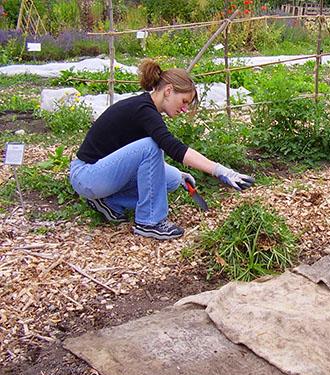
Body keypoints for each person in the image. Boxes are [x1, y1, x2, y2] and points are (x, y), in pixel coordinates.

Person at [70, 59, 254, 240]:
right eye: (184, 101)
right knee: (151, 146)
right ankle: (149, 222)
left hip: (102, 175)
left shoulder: (147, 110)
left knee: (173, 179)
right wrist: (220, 170)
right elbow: (173, 147)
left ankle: (108, 201)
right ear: (168, 91)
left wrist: (179, 174)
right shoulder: (143, 109)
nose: (184, 109)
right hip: (87, 175)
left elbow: (141, 160)